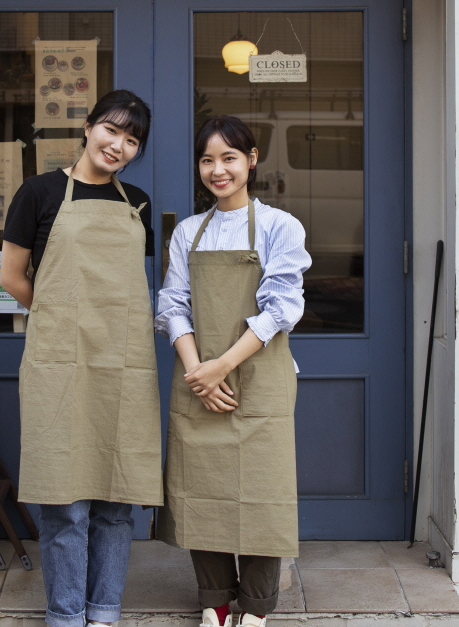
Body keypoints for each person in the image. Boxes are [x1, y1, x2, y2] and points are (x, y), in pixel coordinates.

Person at [0, 90, 162, 627]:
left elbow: (125, 286)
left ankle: (105, 611)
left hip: (123, 364)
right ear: (88, 127)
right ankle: (67, 615)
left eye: (132, 140)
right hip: (60, 362)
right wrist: (60, 317)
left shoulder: (137, 202)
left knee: (116, 501)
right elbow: (11, 277)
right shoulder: (39, 192)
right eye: (111, 130)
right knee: (64, 502)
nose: (118, 145)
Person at [155, 115, 311, 627]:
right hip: (198, 378)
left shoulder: (280, 226)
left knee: (263, 492)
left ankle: (257, 609)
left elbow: (282, 307)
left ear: (251, 160)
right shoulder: (187, 232)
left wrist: (220, 365)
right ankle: (215, 603)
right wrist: (196, 372)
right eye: (207, 160)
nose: (217, 170)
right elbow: (172, 304)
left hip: (258, 380)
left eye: (228, 158)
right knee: (201, 490)